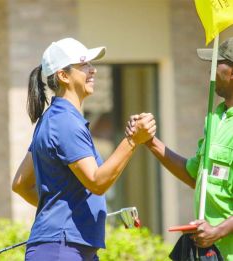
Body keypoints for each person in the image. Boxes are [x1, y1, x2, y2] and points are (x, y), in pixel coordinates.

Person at [12, 37, 156, 261]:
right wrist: (132, 140)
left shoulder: (53, 118)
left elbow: (21, 184)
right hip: (62, 250)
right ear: (63, 75)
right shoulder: (65, 122)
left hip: (65, 248)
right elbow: (97, 182)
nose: (93, 70)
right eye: (84, 65)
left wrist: (66, 210)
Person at [126, 38, 233, 260]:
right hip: (209, 253)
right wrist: (150, 141)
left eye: (218, 62)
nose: (211, 69)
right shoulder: (215, 118)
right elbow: (194, 175)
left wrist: (217, 231)